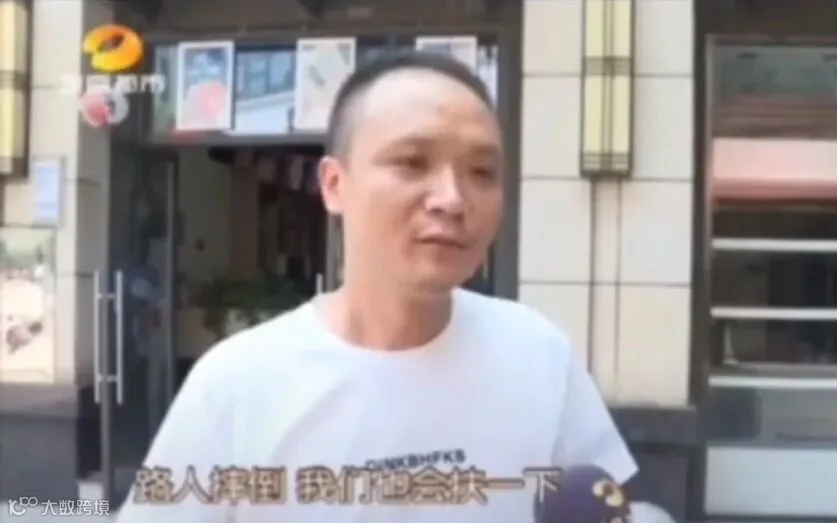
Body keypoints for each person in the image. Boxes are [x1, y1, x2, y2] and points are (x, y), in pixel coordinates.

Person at [116, 50, 636, 523]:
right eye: (411, 163)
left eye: (482, 172)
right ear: (334, 185)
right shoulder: (235, 385)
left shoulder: (538, 355)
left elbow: (609, 505)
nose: (452, 199)